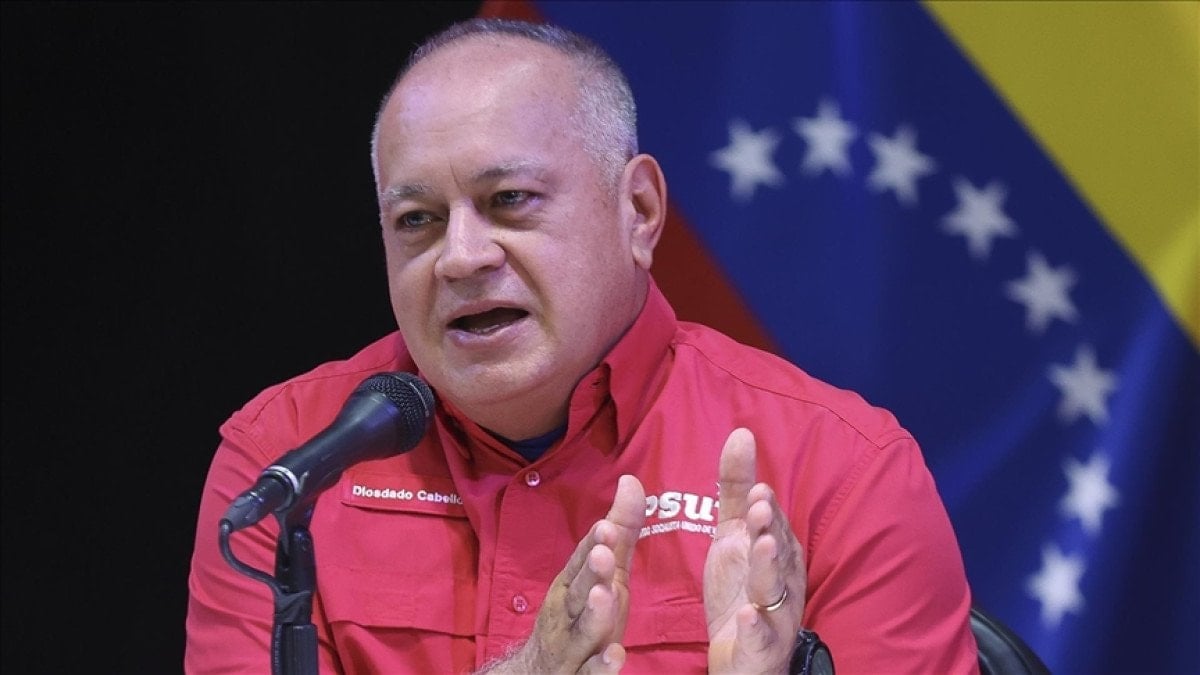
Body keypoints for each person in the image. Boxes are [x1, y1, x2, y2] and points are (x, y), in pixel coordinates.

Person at [186, 18, 978, 674]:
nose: (460, 256)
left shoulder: (840, 472)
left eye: (509, 200)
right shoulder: (289, 463)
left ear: (639, 211)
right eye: (417, 220)